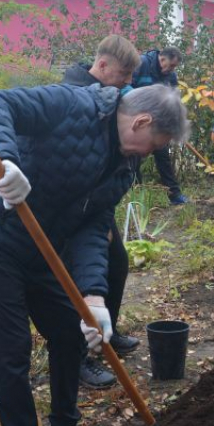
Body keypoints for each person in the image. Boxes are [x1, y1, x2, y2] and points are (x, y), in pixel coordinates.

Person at [0, 83, 188, 426]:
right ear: (141, 121)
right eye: (149, 146)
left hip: (43, 243)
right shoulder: (74, 105)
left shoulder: (123, 166)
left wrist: (95, 298)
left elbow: (92, 225)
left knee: (69, 332)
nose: (144, 155)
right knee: (11, 355)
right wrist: (6, 162)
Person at [63, 35, 143, 390]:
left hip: (96, 202)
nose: (128, 81)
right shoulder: (74, 93)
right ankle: (79, 357)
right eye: (124, 73)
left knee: (117, 263)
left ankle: (106, 332)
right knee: (73, 282)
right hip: (69, 208)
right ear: (104, 65)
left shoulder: (111, 94)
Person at [131, 46, 189, 205]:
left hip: (158, 124)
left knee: (163, 157)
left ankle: (175, 195)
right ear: (162, 58)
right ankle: (136, 197)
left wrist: (177, 121)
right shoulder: (142, 64)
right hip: (138, 122)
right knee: (134, 159)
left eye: (174, 67)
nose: (171, 70)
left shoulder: (170, 76)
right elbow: (128, 86)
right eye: (170, 65)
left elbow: (174, 100)